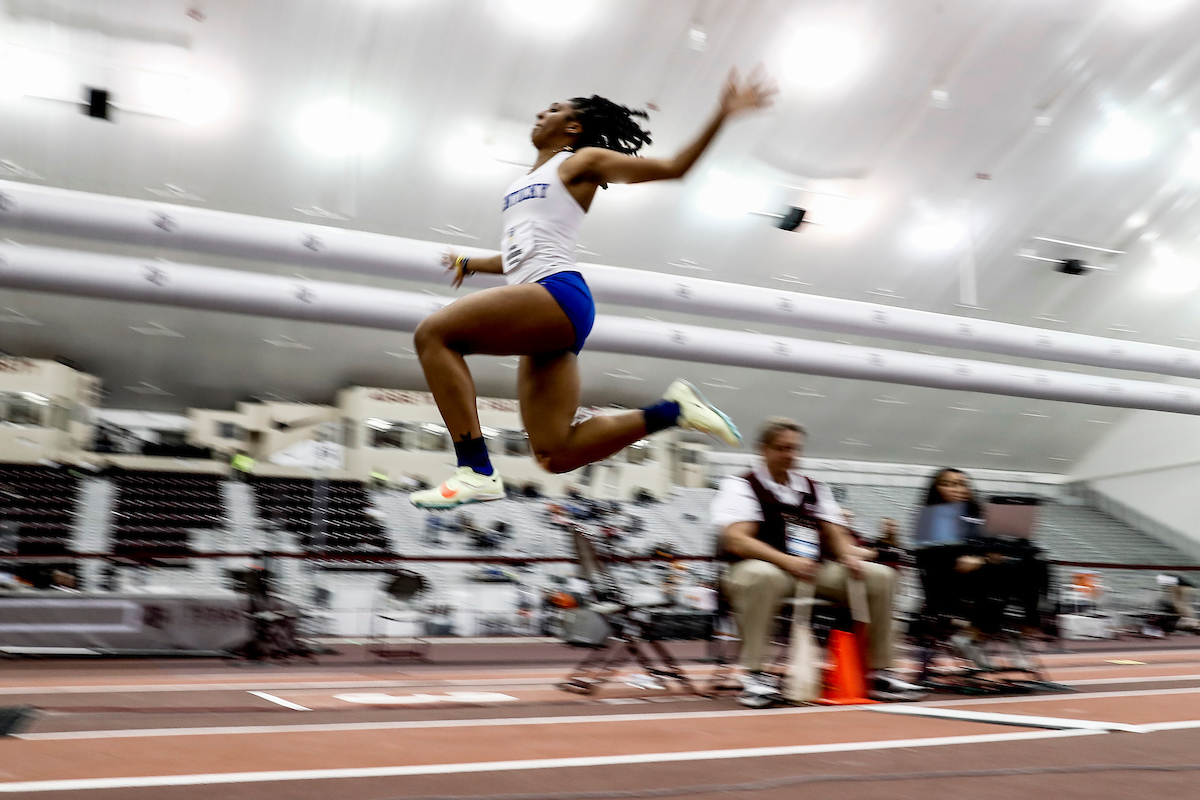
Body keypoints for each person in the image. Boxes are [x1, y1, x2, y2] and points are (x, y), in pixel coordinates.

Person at [410, 70, 775, 509]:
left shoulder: (581, 162)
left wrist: (721, 114)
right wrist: (471, 264)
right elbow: (518, 255)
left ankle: (475, 468)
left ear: (574, 127)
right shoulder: (524, 182)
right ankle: (672, 411)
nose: (540, 113)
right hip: (539, 308)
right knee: (554, 454)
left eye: (554, 109)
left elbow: (674, 168)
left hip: (557, 295)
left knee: (434, 334)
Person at [710, 417, 923, 707]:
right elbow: (737, 540)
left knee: (880, 577)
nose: (790, 454)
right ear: (763, 449)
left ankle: (880, 672)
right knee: (761, 576)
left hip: (812, 569)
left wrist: (848, 554)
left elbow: (834, 530)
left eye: (795, 449)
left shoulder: (813, 487)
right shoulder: (741, 486)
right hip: (763, 567)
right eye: (782, 448)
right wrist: (787, 561)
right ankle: (756, 675)